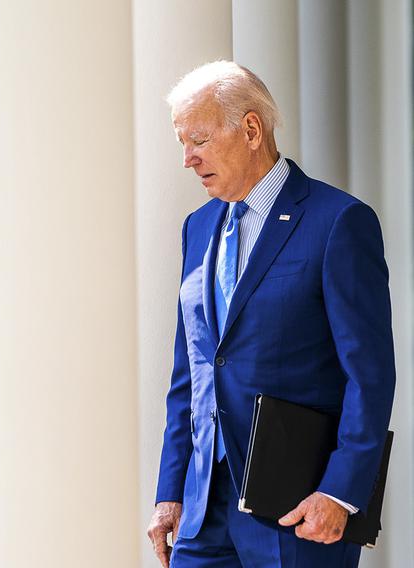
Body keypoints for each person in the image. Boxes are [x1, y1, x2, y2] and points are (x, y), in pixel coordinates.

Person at [145, 61, 396, 567]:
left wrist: (342, 493)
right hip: (202, 514)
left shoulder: (338, 222)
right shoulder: (198, 228)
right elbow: (189, 372)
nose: (188, 160)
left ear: (252, 129)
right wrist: (170, 491)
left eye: (198, 139)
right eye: (182, 145)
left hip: (297, 513)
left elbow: (368, 376)